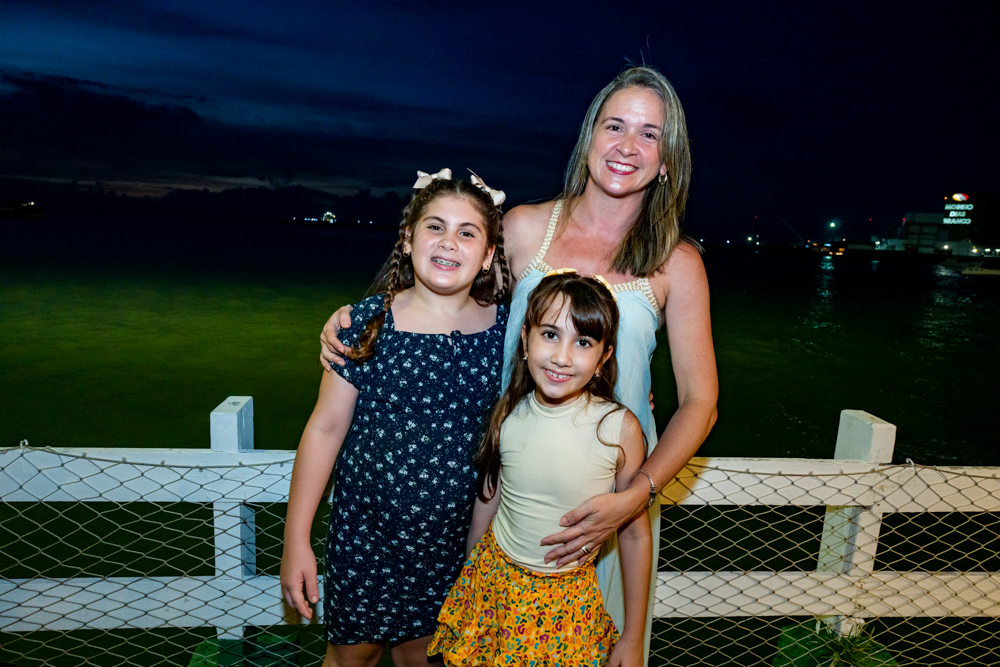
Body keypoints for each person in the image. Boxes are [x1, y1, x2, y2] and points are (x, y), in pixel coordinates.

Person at [320, 66, 718, 663]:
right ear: (588, 137)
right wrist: (362, 316)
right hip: (502, 484)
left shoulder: (677, 263)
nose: (627, 146)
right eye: (615, 125)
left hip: (611, 498)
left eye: (650, 135)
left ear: (668, 161)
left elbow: (701, 401)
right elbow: (444, 281)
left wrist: (636, 494)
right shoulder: (524, 228)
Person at [281, 169, 511, 667]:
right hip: (365, 540)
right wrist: (296, 540)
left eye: (467, 232)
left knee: (425, 659)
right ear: (407, 239)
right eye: (435, 226)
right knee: (350, 659)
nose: (449, 242)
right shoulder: (365, 323)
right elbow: (325, 429)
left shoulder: (507, 334)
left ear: (489, 254)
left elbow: (572, 357)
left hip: (454, 546)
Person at [428, 271, 651, 666]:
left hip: (566, 604)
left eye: (582, 342)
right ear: (525, 339)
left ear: (604, 357)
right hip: (493, 586)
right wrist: (468, 577)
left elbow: (634, 536)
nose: (562, 357)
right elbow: (489, 497)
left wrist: (633, 636)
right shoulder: (508, 413)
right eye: (550, 334)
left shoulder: (619, 429)